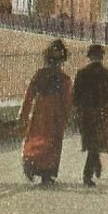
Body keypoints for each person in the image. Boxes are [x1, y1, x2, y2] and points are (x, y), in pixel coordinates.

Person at [20, 39, 72, 185]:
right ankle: (46, 173)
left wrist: (24, 114)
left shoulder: (39, 75)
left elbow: (29, 95)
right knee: (53, 142)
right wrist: (66, 117)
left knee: (36, 136)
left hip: (40, 110)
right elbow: (67, 100)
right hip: (55, 112)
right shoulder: (64, 78)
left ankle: (30, 161)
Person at [72, 43, 108, 187]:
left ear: (90, 57)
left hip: (86, 114)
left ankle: (93, 168)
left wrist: (77, 113)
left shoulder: (81, 73)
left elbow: (75, 97)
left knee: (92, 144)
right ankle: (88, 174)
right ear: (101, 57)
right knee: (96, 144)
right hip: (102, 114)